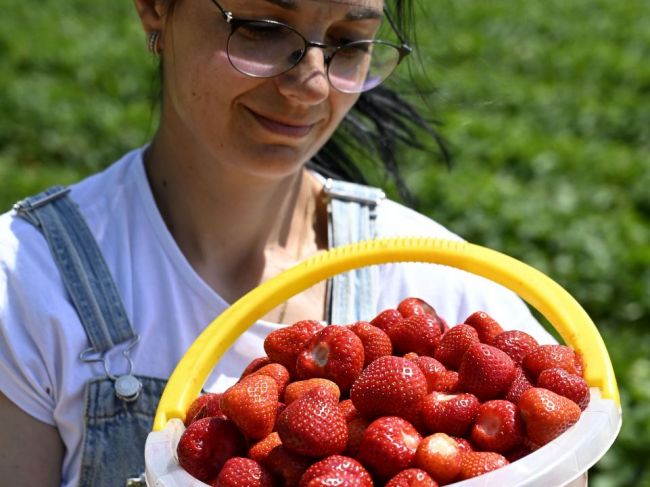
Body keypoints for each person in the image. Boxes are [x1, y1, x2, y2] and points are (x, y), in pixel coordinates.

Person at [0, 0, 579, 486]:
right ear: (155, 6)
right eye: (263, 29)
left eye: (350, 43)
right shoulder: (27, 288)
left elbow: (564, 457)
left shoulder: (436, 283)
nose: (311, 84)